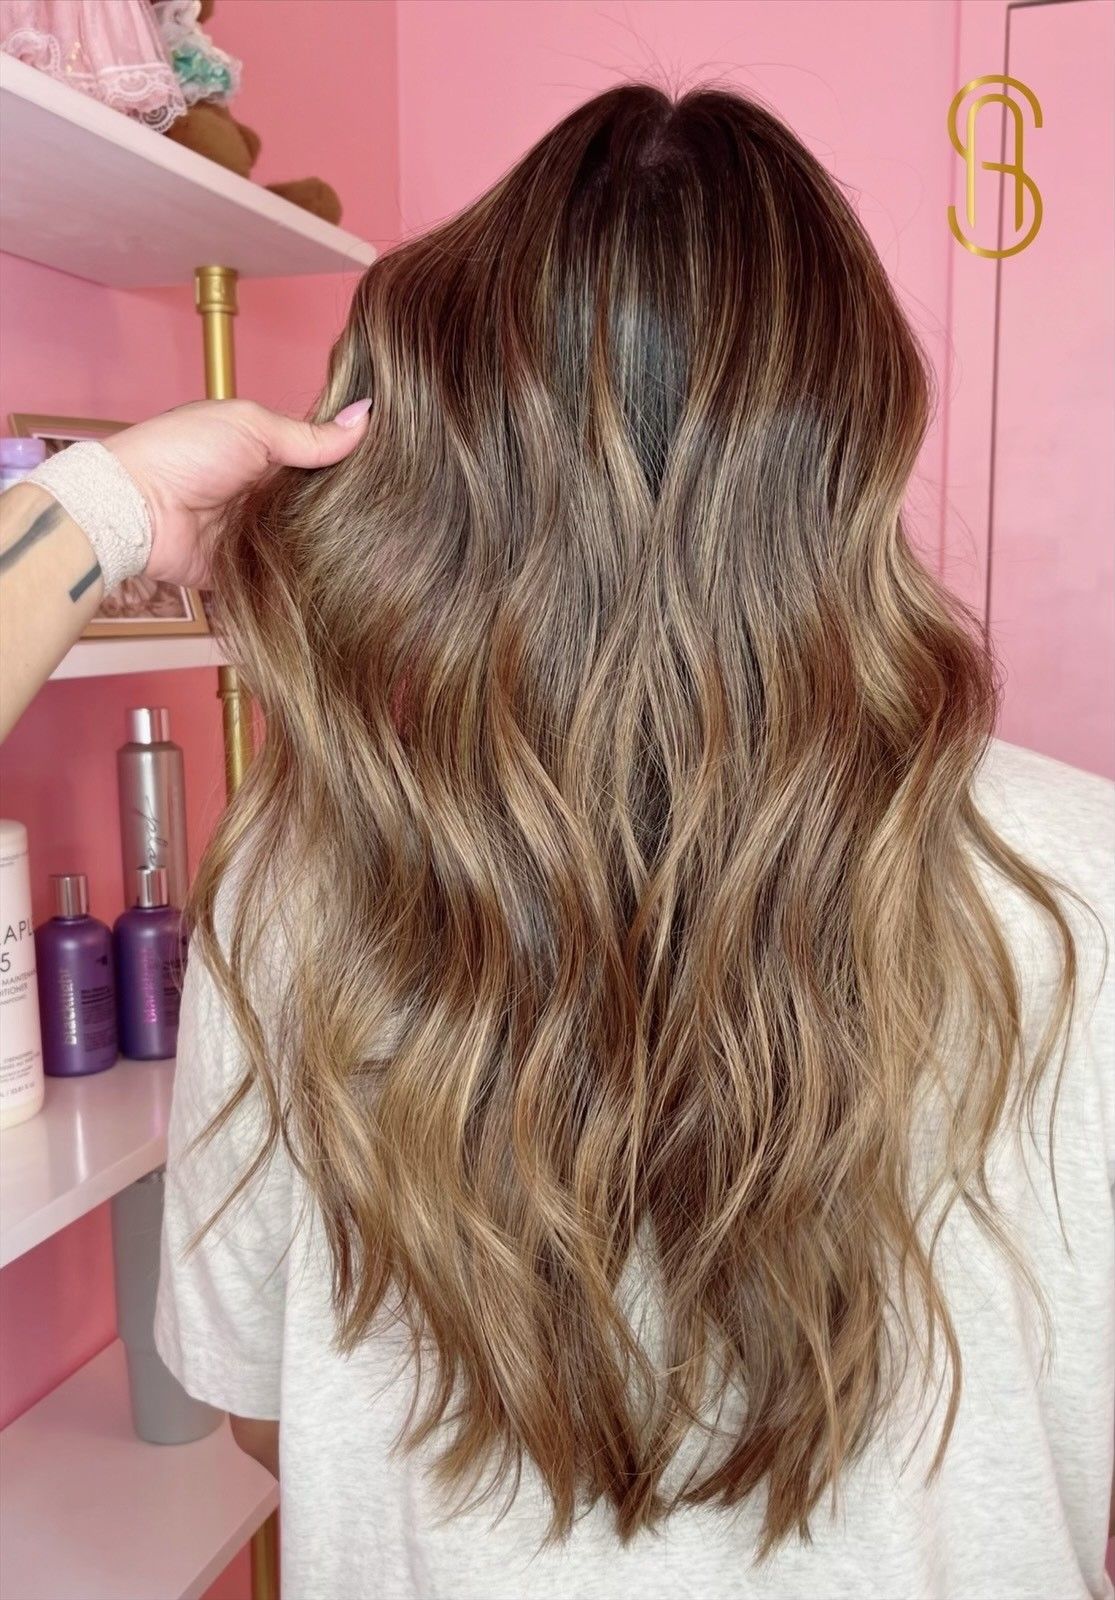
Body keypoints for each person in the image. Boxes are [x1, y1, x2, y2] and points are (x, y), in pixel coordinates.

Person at [1, 83, 1111, 1600]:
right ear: (851, 436)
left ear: (449, 459)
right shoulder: (1085, 879)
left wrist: (101, 507)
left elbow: (262, 1412)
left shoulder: (304, 881)